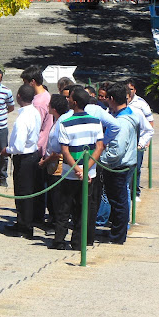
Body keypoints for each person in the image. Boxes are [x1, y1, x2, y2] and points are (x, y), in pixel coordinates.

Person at [50, 87, 104, 250]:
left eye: (70, 98)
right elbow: (99, 147)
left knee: (64, 208)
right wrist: (85, 170)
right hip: (89, 173)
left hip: (69, 173)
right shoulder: (96, 121)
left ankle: (59, 240)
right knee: (83, 208)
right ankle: (78, 242)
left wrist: (77, 170)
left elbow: (64, 150)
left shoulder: (65, 123)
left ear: (75, 102)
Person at [0, 84, 42, 238]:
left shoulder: (23, 119)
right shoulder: (35, 112)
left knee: (23, 192)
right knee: (28, 191)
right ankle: (23, 222)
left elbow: (18, 145)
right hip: (32, 154)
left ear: (18, 96)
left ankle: (25, 226)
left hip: (24, 157)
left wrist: (7, 150)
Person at [101, 82, 139, 244]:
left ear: (111, 99)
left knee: (118, 201)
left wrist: (100, 159)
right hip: (125, 163)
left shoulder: (122, 122)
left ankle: (118, 235)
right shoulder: (128, 114)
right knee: (120, 199)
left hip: (119, 165)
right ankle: (118, 232)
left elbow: (117, 150)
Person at [21, 66, 53, 227]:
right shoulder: (46, 96)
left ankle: (34, 217)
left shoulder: (39, 102)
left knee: (34, 185)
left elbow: (35, 125)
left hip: (38, 146)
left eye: (25, 83)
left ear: (32, 82)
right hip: (42, 144)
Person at [38, 94, 70, 236]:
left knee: (57, 198)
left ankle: (57, 226)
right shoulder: (58, 120)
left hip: (57, 165)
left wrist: (45, 161)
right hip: (52, 164)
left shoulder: (60, 124)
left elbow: (57, 151)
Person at [127, 78, 154, 200]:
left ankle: (135, 192)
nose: (129, 92)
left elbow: (150, 122)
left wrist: (145, 141)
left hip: (138, 141)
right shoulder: (121, 101)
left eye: (131, 89)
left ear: (135, 90)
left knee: (136, 168)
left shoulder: (141, 103)